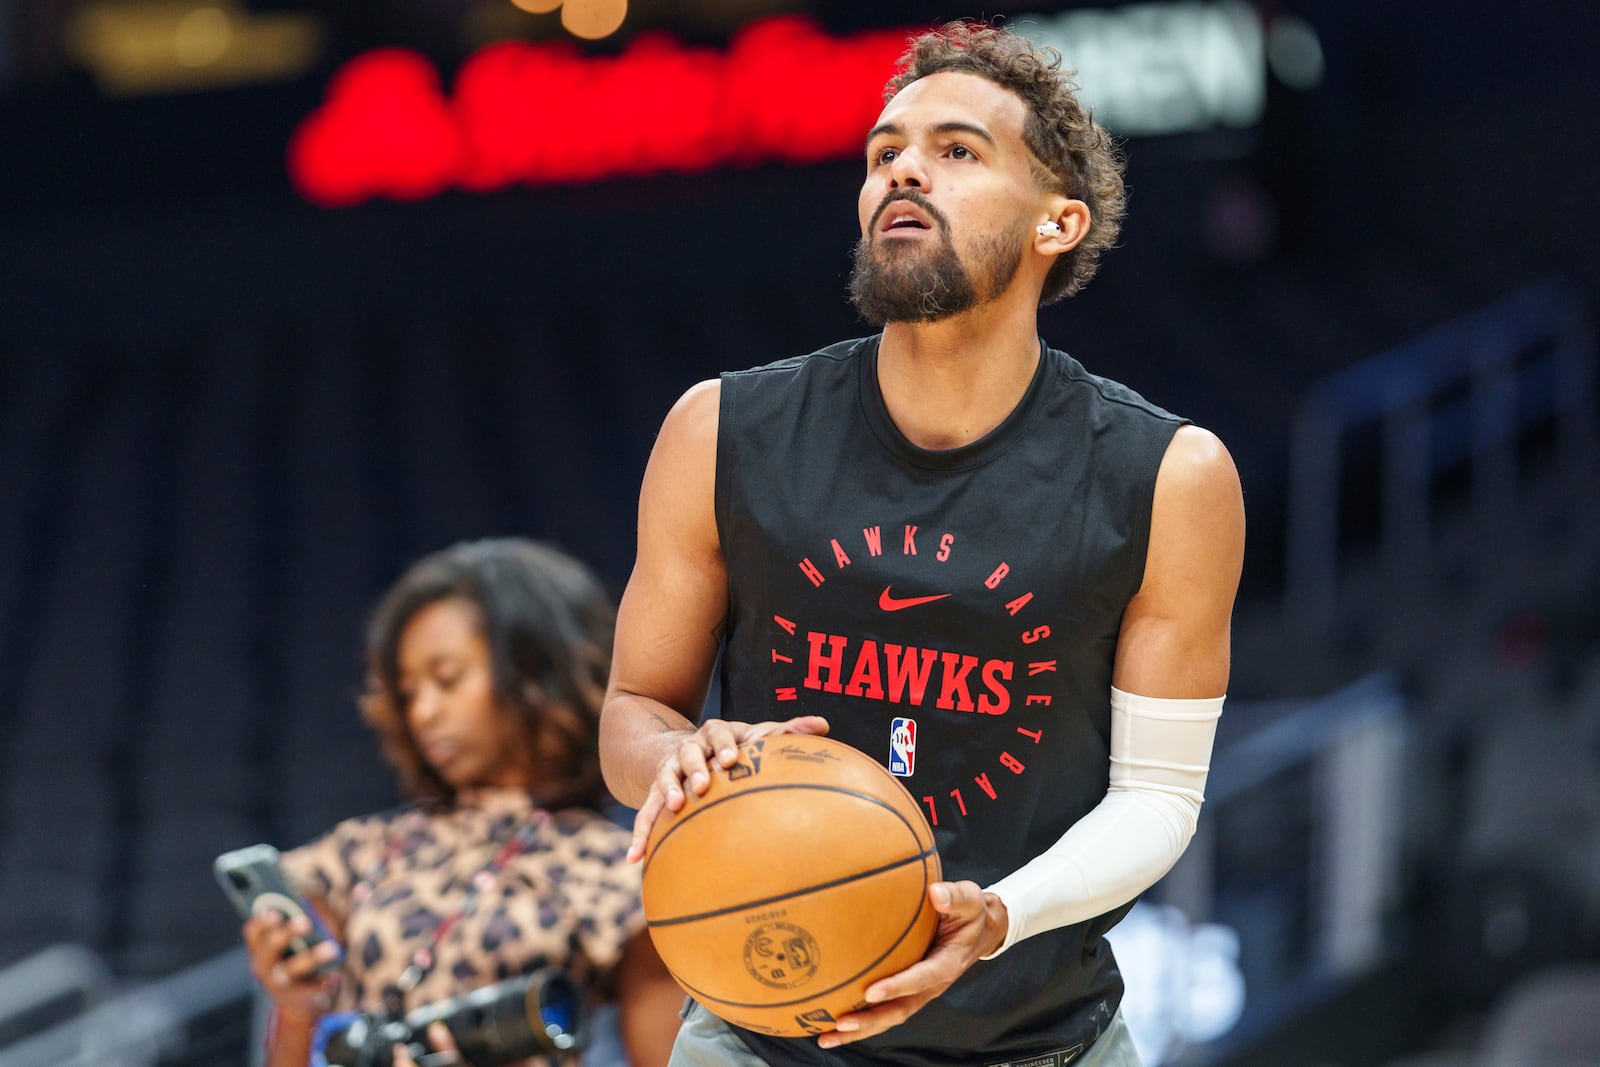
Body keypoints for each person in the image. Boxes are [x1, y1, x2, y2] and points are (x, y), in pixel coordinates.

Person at [597, 19, 1245, 1067]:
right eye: (884, 151)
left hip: (1041, 1038)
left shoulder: (1168, 474)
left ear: (1057, 222)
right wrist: (677, 755)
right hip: (760, 1031)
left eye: (956, 150)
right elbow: (632, 712)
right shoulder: (721, 429)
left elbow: (1157, 800)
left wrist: (997, 910)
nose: (902, 168)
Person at [242, 538, 683, 1067]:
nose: (423, 711)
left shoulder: (622, 872)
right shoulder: (357, 852)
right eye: (407, 693)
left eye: (447, 679)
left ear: (536, 672)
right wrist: (294, 1009)